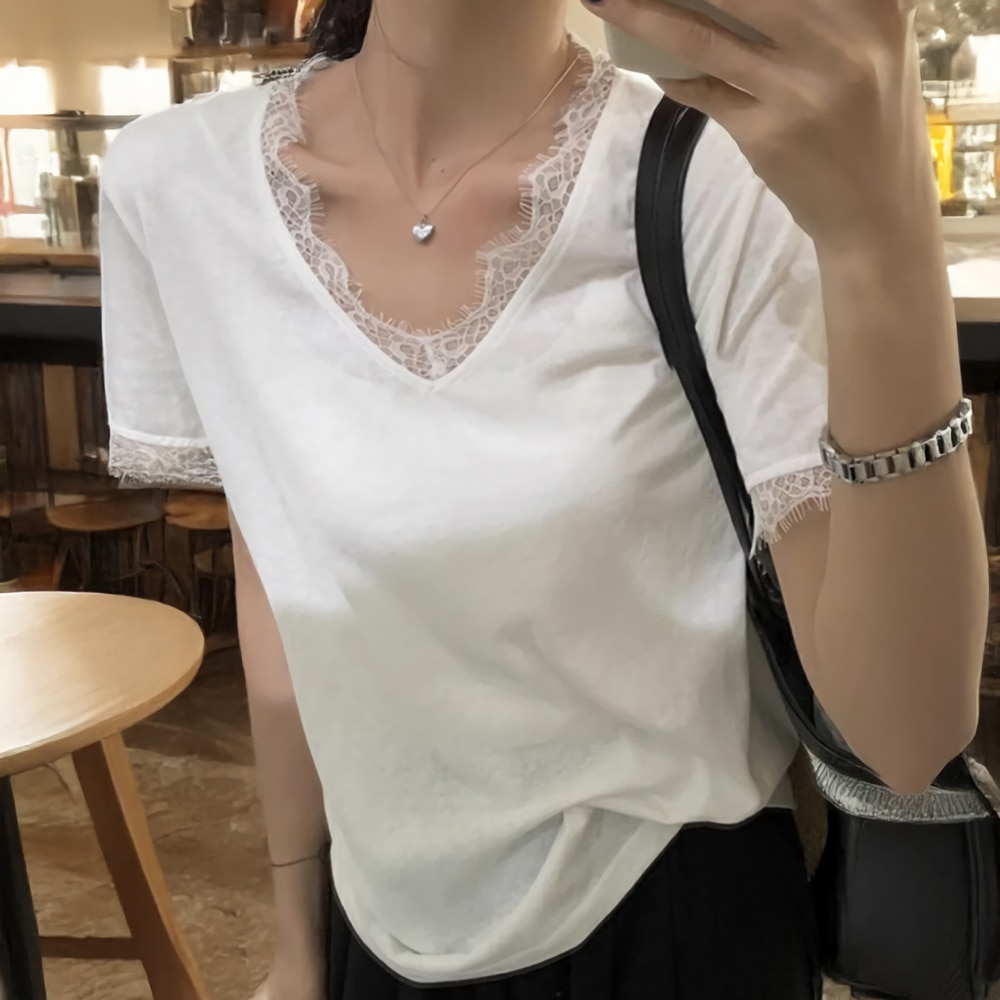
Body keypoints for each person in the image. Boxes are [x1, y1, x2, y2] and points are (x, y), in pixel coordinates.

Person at [99, 1, 988, 997]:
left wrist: (883, 243)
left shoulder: (717, 171)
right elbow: (283, 576)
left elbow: (907, 738)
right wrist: (297, 938)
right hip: (377, 922)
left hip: (676, 917)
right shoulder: (178, 187)